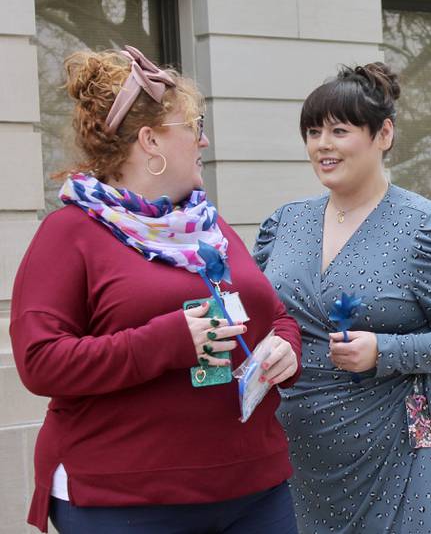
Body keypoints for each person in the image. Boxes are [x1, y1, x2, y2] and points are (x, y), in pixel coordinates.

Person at [10, 46, 302, 533]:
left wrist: (286, 347)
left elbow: (277, 317)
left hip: (255, 489)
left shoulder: (208, 226)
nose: (204, 141)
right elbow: (40, 360)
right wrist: (166, 341)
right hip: (124, 500)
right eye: (194, 126)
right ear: (151, 141)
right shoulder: (69, 233)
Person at [253, 62, 431, 533]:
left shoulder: (426, 227)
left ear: (383, 134)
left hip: (393, 446)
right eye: (313, 131)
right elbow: (257, 315)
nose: (322, 144)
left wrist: (386, 351)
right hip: (291, 444)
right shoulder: (284, 224)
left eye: (339, 131)